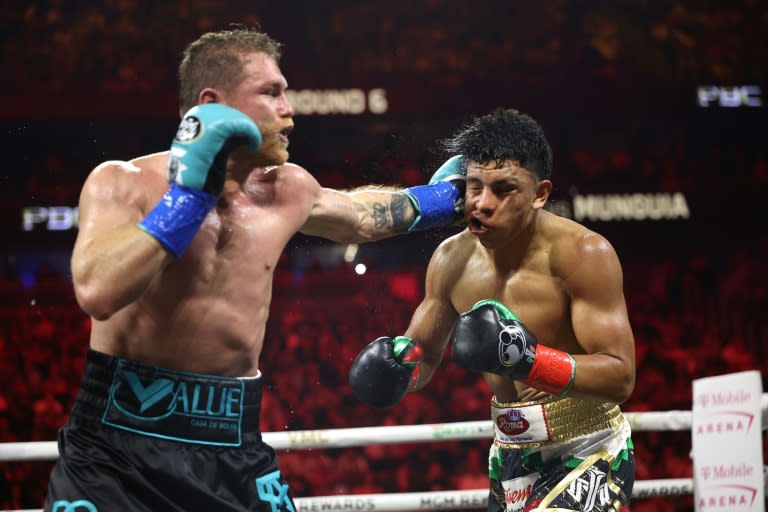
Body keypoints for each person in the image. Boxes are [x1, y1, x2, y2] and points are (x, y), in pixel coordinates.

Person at [44, 26, 465, 512]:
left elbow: (365, 216)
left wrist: (451, 197)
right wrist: (189, 197)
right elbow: (98, 290)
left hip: (233, 447)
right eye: (271, 92)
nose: (290, 109)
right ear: (212, 104)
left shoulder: (287, 189)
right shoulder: (123, 182)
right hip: (116, 449)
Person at [349, 108, 636, 512]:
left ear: (540, 193)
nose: (481, 204)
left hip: (589, 447)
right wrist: (397, 370)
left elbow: (621, 377)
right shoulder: (451, 259)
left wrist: (530, 362)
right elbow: (423, 355)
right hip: (510, 454)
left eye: (503, 189)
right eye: (473, 187)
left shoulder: (583, 254)